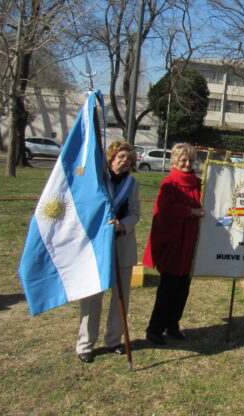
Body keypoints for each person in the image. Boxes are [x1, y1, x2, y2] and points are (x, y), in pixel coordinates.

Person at [76, 141, 140, 363]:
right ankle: (85, 344)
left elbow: (135, 213)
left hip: (122, 244)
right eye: (121, 156)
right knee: (93, 296)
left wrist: (122, 224)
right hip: (97, 247)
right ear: (111, 158)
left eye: (128, 159)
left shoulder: (132, 184)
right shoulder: (98, 180)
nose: (124, 161)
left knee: (120, 298)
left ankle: (114, 339)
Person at [143, 143, 205, 345]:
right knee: (168, 289)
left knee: (183, 288)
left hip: (191, 244)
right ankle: (155, 329)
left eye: (190, 160)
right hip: (173, 243)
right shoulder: (168, 184)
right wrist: (190, 212)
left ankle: (173, 324)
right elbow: (166, 211)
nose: (187, 164)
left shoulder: (200, 184)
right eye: (183, 161)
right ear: (175, 162)